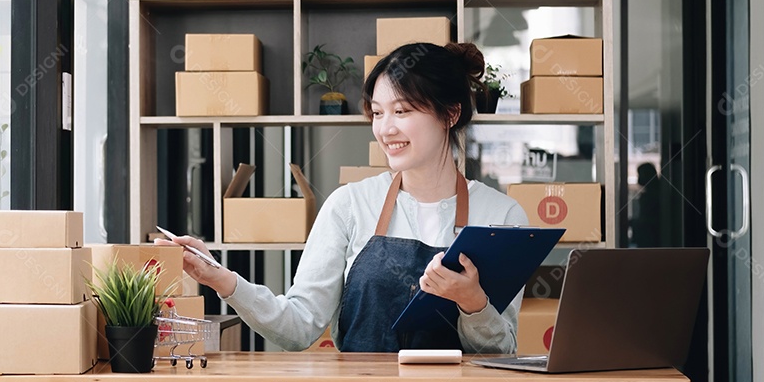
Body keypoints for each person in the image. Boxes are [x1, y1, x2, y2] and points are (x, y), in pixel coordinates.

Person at [161, 42, 529, 353]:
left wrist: (473, 303)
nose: (385, 129)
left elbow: (503, 350)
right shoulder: (350, 205)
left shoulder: (502, 216)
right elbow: (299, 328)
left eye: (401, 111)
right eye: (378, 112)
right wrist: (222, 279)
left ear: (450, 114)